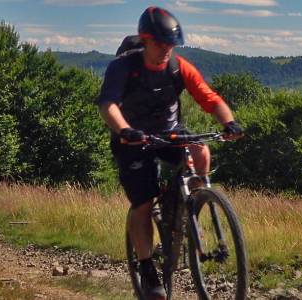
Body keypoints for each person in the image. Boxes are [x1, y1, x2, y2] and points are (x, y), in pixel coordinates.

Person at [96, 6, 243, 299]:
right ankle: (147, 266)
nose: (166, 50)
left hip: (169, 132)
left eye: (170, 45)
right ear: (145, 40)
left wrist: (229, 122)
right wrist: (125, 130)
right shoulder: (123, 67)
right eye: (160, 44)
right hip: (133, 139)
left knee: (201, 152)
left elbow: (210, 99)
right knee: (143, 201)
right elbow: (108, 104)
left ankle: (192, 204)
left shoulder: (178, 67)